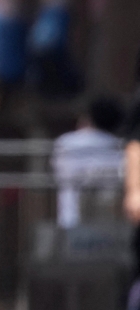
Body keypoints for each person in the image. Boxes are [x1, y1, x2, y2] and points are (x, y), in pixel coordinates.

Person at [52, 96, 124, 229]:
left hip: (70, 219)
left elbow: (59, 171)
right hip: (108, 224)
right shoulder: (118, 145)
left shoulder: (66, 142)